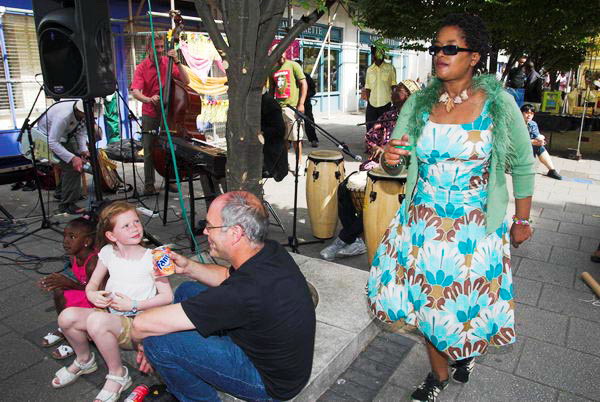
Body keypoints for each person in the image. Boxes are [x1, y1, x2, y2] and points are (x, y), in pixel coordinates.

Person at [369, 14, 535, 401]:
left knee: (462, 307)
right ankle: (438, 376)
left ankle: (465, 351)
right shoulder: (420, 104)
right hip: (421, 225)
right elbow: (397, 161)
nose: (439, 55)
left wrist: (522, 219)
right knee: (428, 306)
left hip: (475, 229)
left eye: (449, 48)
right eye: (435, 48)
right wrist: (391, 159)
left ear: (474, 56)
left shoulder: (499, 104)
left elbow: (523, 164)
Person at [131, 191, 316, 401]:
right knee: (186, 291)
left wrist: (141, 344)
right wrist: (188, 267)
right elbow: (227, 276)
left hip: (267, 382)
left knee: (158, 343)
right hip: (272, 352)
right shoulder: (269, 250)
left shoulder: (242, 293)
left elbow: (140, 324)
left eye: (210, 226)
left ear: (235, 233)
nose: (205, 231)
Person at [50, 201, 173, 402]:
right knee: (66, 317)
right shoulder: (107, 252)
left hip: (136, 323)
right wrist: (92, 295)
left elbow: (168, 296)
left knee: (95, 321)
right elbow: (93, 284)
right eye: (126, 225)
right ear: (111, 236)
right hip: (111, 318)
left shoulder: (156, 257)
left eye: (136, 222)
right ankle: (84, 360)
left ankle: (118, 374)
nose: (135, 228)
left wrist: (133, 304)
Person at [320, 80, 420, 261]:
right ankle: (356, 238)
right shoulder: (387, 116)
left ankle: (345, 238)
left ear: (410, 97)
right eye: (395, 88)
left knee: (371, 197)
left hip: (400, 173)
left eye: (399, 89)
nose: (394, 91)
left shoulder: (417, 122)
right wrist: (375, 147)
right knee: (344, 188)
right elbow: (370, 137)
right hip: (375, 167)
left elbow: (415, 149)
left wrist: (391, 152)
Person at [131, 35, 190, 196]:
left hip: (169, 112)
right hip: (150, 111)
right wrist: (148, 99)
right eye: (156, 47)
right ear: (149, 48)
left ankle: (170, 181)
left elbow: (187, 81)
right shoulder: (142, 68)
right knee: (149, 148)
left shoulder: (168, 62)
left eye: (161, 47)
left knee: (170, 148)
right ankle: (149, 185)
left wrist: (177, 61)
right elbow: (135, 91)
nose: (159, 50)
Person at [38, 217, 98, 360]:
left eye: (72, 237)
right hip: (87, 291)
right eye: (64, 235)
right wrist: (53, 282)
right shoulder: (74, 256)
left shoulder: (93, 263)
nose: (66, 241)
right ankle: (67, 330)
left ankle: (76, 337)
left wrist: (68, 283)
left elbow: (94, 293)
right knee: (58, 289)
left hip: (98, 301)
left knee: (64, 292)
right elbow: (82, 283)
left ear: (87, 242)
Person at [37, 100, 91, 215]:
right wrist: (73, 158)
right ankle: (67, 204)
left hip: (65, 135)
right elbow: (53, 142)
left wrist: (83, 150)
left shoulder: (83, 114)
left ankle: (61, 192)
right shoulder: (63, 117)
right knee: (74, 167)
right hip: (47, 137)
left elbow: (81, 132)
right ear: (80, 111)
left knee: (76, 162)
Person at [270, 52, 308, 162]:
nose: (280, 57)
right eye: (277, 55)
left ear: (285, 53)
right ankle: (284, 163)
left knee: (296, 139)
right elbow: (272, 90)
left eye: (282, 54)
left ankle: (299, 163)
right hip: (279, 109)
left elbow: (303, 84)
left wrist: (301, 104)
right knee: (283, 139)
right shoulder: (272, 70)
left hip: (292, 108)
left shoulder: (293, 65)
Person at [521, 104, 562, 180]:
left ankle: (552, 170)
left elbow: (537, 135)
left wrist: (541, 141)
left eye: (531, 113)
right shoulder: (516, 124)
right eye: (527, 113)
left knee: (539, 146)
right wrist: (532, 142)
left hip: (527, 147)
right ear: (521, 113)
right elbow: (516, 141)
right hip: (516, 150)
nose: (529, 115)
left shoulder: (533, 124)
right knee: (534, 145)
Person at [365, 46, 397, 131]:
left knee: (384, 129)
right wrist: (369, 102)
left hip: (385, 104)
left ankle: (383, 144)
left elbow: (394, 86)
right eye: (377, 53)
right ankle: (370, 144)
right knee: (370, 128)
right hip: (372, 105)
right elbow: (367, 88)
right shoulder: (369, 70)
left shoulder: (390, 68)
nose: (379, 56)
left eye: (381, 53)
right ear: (373, 55)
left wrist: (394, 103)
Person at [261, 90, 288, 181]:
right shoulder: (260, 101)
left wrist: (260, 132)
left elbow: (279, 129)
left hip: (270, 154)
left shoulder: (269, 102)